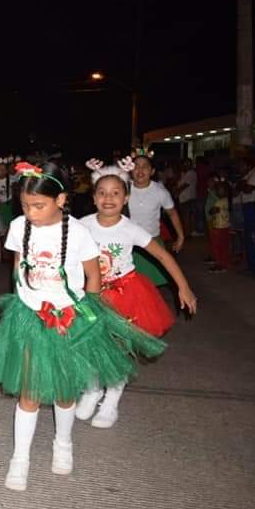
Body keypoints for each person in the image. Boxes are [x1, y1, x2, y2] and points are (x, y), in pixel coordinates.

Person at [0, 161, 166, 491]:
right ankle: (20, 458)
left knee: (65, 391)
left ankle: (63, 443)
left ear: (61, 200)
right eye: (25, 205)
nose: (30, 212)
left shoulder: (79, 233)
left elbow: (93, 275)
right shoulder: (17, 227)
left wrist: (87, 314)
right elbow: (17, 269)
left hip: (68, 316)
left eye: (37, 205)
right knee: (30, 391)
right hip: (29, 316)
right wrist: (22, 301)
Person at [76, 158, 196, 428]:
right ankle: (93, 389)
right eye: (103, 193)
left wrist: (184, 287)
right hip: (92, 293)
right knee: (90, 344)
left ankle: (111, 400)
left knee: (119, 347)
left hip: (125, 293)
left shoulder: (130, 228)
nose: (109, 198)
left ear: (126, 197)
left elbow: (163, 257)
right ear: (94, 197)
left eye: (116, 193)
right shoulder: (81, 225)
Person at [127, 151, 185, 286]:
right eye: (136, 166)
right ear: (130, 170)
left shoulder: (160, 191)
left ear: (152, 171)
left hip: (151, 242)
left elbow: (172, 213)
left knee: (150, 285)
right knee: (129, 283)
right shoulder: (123, 188)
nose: (140, 170)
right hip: (128, 243)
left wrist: (180, 236)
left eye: (145, 166)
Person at [235, 155, 255, 274]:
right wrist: (241, 183)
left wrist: (241, 184)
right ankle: (252, 265)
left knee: (254, 236)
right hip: (247, 206)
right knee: (248, 237)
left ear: (250, 165)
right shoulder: (246, 175)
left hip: (254, 206)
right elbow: (235, 191)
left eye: (241, 164)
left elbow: (248, 189)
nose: (239, 167)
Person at [207, 176, 232, 273]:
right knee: (224, 246)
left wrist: (211, 210)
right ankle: (224, 264)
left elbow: (213, 211)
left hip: (218, 227)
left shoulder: (219, 201)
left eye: (220, 190)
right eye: (217, 190)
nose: (218, 192)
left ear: (225, 191)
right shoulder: (227, 201)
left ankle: (219, 264)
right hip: (226, 226)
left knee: (218, 246)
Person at [0, 158, 14, 263]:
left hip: (7, 207)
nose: (2, 171)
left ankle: (6, 253)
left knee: (6, 230)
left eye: (4, 169)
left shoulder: (12, 179)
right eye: (0, 169)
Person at [176, 158, 198, 237]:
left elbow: (185, 185)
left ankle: (188, 233)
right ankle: (187, 232)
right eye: (184, 164)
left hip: (188, 198)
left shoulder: (191, 173)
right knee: (186, 216)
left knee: (186, 217)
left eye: (187, 164)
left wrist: (176, 192)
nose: (185, 165)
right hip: (185, 198)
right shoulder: (185, 173)